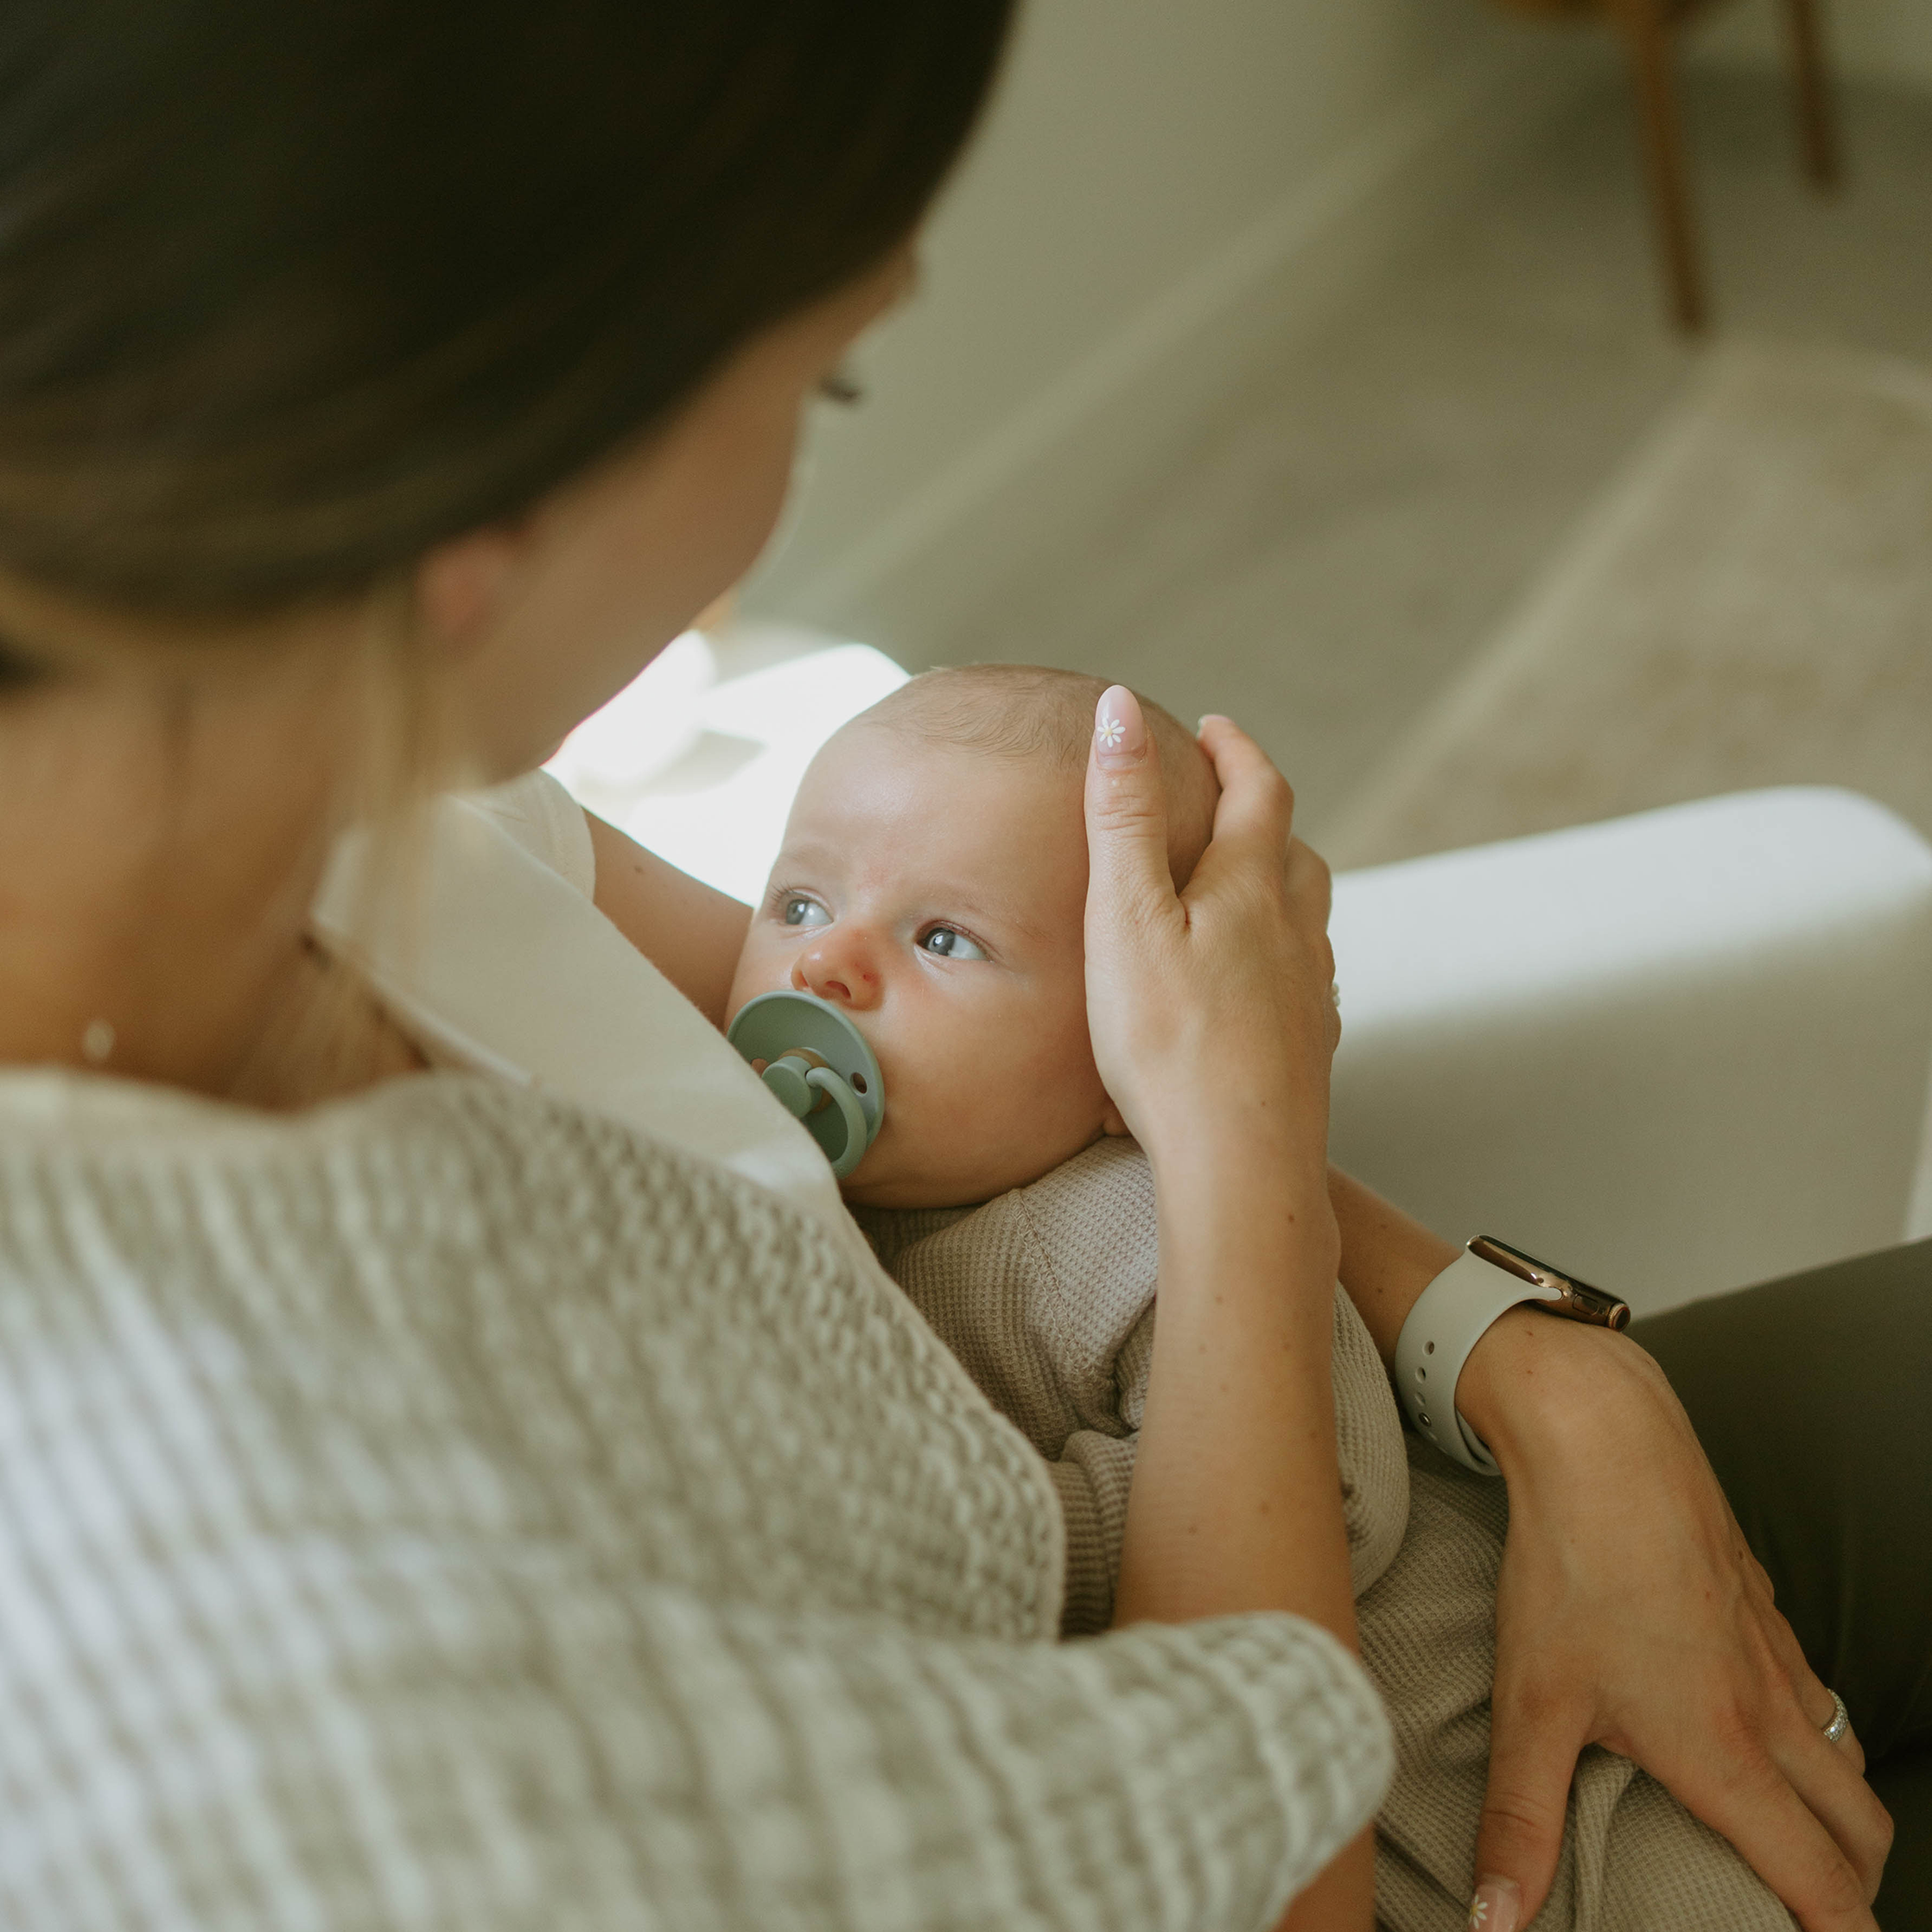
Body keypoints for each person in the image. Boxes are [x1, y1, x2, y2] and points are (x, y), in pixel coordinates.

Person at [0, 4, 1909, 1930]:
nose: (817, 961)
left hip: (1422, 1564)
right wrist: (1248, 1159)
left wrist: (1523, 1363)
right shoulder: (246, 1633)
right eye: (822, 381)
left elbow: (1025, 1084)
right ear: (472, 463)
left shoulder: (370, 801)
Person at [717, 658, 1902, 1929]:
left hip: (1544, 1815)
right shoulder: (792, 1213)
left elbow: (1336, 1488)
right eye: (796, 897)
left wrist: (1006, 1527)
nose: (824, 963)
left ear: (1127, 1057)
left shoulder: (1128, 1222)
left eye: (942, 938)